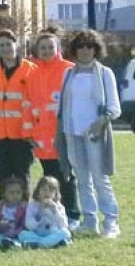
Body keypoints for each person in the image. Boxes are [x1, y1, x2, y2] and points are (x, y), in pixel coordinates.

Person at [56, 29, 121, 239]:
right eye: (80, 46)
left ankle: (111, 222)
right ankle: (90, 221)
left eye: (89, 46)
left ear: (96, 49)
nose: (85, 50)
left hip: (95, 134)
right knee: (83, 180)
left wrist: (101, 121)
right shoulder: (68, 73)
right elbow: (62, 106)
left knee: (100, 179)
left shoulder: (104, 73)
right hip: (72, 133)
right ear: (74, 50)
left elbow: (114, 107)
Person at [25, 31, 82, 229]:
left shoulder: (69, 69)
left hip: (64, 133)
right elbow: (28, 104)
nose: (47, 51)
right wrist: (29, 133)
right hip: (42, 136)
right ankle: (53, 212)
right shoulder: (32, 73)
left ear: (58, 48)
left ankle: (72, 214)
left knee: (67, 174)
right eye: (43, 48)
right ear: (37, 50)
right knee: (49, 176)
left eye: (51, 47)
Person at [0, 29, 36, 196]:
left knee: (22, 177)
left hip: (22, 134)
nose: (6, 48)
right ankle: (3, 215)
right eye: (1, 45)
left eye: (8, 44)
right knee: (2, 178)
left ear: (16, 44)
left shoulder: (31, 70)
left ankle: (23, 215)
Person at [19, 176, 72, 248]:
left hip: (53, 233)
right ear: (38, 192)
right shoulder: (32, 206)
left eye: (50, 191)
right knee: (22, 234)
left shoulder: (59, 206)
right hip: (37, 233)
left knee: (66, 233)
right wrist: (39, 213)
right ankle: (52, 243)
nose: (47, 193)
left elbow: (64, 225)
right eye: (44, 190)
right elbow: (29, 226)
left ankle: (38, 244)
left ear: (55, 194)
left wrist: (55, 211)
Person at [0, 177, 28, 247]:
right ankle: (5, 242)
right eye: (11, 193)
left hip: (18, 231)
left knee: (24, 235)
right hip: (3, 232)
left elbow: (25, 224)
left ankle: (16, 244)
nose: (15, 195)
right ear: (4, 193)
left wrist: (16, 231)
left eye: (18, 192)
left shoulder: (24, 207)